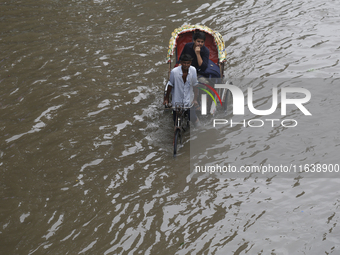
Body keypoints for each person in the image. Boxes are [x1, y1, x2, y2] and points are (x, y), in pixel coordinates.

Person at [163, 54, 200, 127]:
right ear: (181, 62)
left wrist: (195, 99)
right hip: (177, 100)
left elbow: (195, 85)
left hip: (189, 99)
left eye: (188, 63)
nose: (186, 65)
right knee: (176, 121)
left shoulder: (193, 70)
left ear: (190, 63)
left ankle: (200, 129)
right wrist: (166, 99)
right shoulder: (174, 71)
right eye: (184, 63)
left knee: (193, 118)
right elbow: (170, 85)